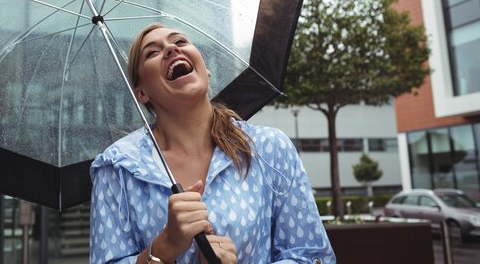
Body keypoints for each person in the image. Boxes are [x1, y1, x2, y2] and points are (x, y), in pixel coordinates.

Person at [89, 23, 336, 264]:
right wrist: (164, 247)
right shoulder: (118, 168)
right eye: (152, 52)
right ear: (141, 93)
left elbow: (312, 257)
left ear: (205, 69)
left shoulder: (270, 149)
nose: (172, 49)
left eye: (180, 41)